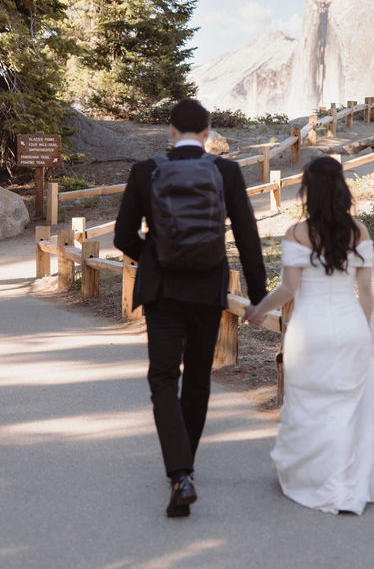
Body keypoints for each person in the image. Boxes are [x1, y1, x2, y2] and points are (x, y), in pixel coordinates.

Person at [114, 98, 268, 518]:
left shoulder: (146, 171)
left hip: (162, 289)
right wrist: (257, 296)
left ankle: (179, 474)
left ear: (169, 130)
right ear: (207, 132)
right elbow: (248, 238)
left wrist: (154, 255)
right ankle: (187, 471)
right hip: (207, 288)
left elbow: (123, 235)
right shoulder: (226, 171)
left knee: (163, 378)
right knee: (198, 377)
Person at [244, 155, 374, 515]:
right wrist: (366, 330)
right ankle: (348, 480)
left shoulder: (297, 232)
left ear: (308, 190)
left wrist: (258, 310)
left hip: (309, 329)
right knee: (346, 404)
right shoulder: (360, 231)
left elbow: (288, 289)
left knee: (309, 403)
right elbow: (366, 292)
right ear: (342, 188)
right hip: (349, 325)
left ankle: (315, 480)